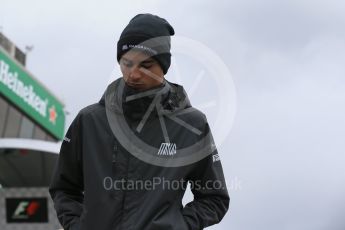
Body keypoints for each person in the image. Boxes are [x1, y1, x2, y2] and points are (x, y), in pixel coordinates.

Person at [49, 13, 229, 230]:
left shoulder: (193, 125)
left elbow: (214, 198)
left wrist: (178, 226)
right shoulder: (89, 121)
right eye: (127, 63)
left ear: (163, 66)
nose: (133, 74)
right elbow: (64, 188)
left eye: (146, 65)